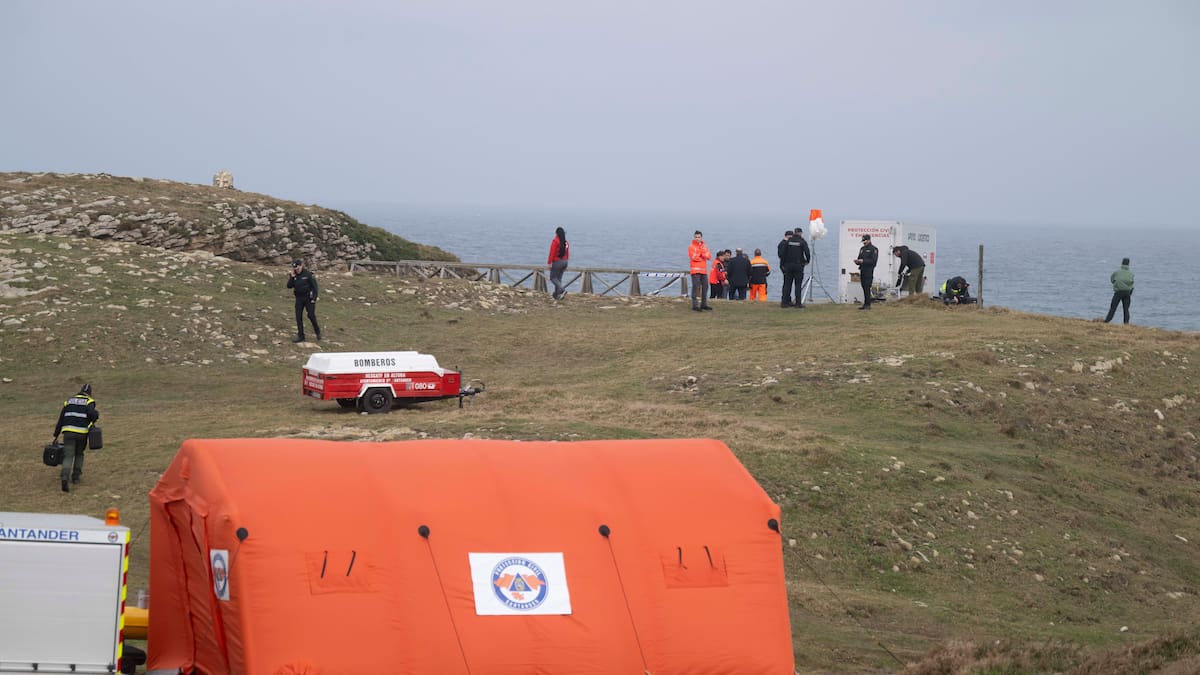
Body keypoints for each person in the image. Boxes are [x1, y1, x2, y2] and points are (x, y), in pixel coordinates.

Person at [52, 383, 99, 493]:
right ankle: (76, 477)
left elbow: (61, 418)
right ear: (89, 393)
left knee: (68, 455)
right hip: (81, 433)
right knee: (79, 454)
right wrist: (96, 415)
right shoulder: (89, 401)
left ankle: (64, 476)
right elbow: (92, 415)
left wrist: (56, 434)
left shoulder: (69, 401)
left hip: (68, 432)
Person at [287, 258, 321, 342]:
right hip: (299, 298)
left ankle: (317, 331)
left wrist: (314, 298)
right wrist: (291, 278)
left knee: (310, 315)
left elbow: (314, 287)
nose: (297, 270)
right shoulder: (294, 275)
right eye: (295, 269)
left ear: (301, 266)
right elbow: (289, 286)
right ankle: (301, 336)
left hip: (308, 298)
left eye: (298, 268)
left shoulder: (308, 274)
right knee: (298, 316)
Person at [780, 227, 811, 308]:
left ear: (794, 232)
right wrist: (807, 261)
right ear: (800, 233)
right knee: (798, 285)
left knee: (787, 284)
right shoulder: (802, 241)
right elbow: (807, 252)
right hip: (798, 266)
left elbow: (783, 254)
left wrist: (782, 264)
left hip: (788, 266)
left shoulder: (788, 241)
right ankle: (798, 303)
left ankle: (784, 303)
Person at [688, 231, 713, 311]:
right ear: (694, 238)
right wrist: (702, 255)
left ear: (701, 237)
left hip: (703, 271)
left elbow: (709, 256)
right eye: (696, 237)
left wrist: (701, 255)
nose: (697, 238)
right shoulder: (691, 247)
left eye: (699, 237)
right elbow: (694, 257)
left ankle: (704, 304)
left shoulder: (704, 246)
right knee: (695, 287)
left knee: (705, 286)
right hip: (695, 271)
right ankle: (695, 305)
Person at [1104, 257, 1134, 324]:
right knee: (1126, 309)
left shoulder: (1116, 272)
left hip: (1118, 292)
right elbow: (1132, 283)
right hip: (1127, 293)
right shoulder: (1131, 274)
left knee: (1113, 308)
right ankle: (1126, 324)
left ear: (1122, 263)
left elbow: (1112, 280)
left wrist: (1117, 284)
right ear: (1128, 264)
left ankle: (1106, 321)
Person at [853, 234, 879, 310]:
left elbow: (873, 261)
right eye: (863, 241)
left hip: (869, 270)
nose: (864, 243)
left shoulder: (874, 249)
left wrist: (863, 261)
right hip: (862, 270)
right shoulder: (862, 249)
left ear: (869, 240)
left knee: (867, 287)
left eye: (865, 241)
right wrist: (857, 261)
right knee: (864, 287)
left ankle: (868, 304)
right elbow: (859, 258)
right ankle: (865, 304)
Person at [547, 227, 570, 300]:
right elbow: (567, 253)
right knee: (558, 279)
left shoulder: (555, 241)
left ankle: (562, 290)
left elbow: (552, 252)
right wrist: (566, 263)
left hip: (557, 262)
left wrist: (549, 263)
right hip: (565, 261)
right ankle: (556, 295)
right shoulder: (566, 242)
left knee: (553, 278)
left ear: (556, 233)